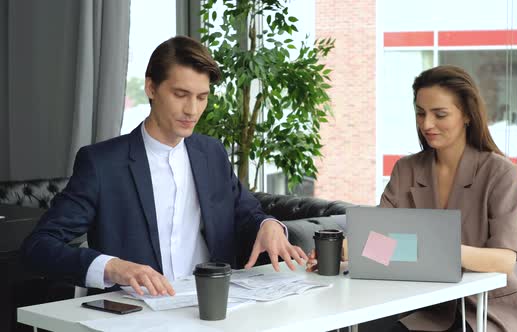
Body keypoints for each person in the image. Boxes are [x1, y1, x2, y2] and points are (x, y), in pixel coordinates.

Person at [22, 36, 307, 297]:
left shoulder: (212, 154)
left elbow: (247, 213)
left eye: (202, 97)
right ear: (151, 88)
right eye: (180, 95)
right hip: (137, 315)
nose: (192, 110)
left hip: (216, 307)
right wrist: (113, 267)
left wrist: (268, 225)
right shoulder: (102, 164)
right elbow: (39, 246)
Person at [307, 65, 517, 332]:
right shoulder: (407, 170)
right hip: (422, 307)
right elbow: (379, 240)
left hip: (485, 311)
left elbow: (503, 260)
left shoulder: (501, 173)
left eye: (440, 114)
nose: (427, 124)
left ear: (467, 115)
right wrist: (347, 251)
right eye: (420, 113)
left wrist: (429, 248)